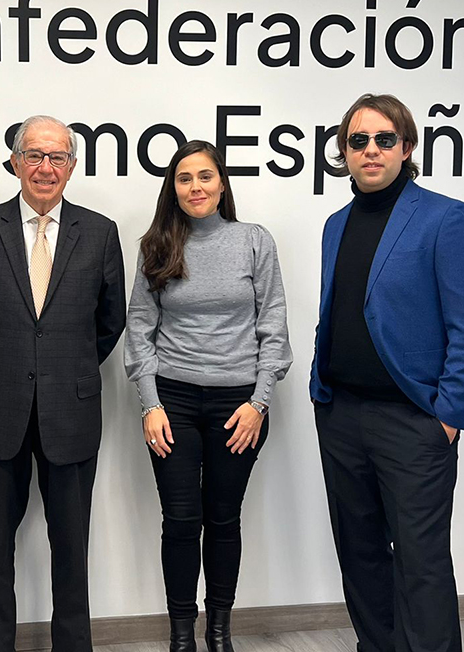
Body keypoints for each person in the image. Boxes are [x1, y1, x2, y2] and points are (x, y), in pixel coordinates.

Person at [310, 94, 464, 652]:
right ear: (343, 152)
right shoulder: (335, 224)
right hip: (341, 415)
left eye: (384, 139)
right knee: (360, 556)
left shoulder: (445, 217)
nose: (370, 150)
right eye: (358, 141)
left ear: (407, 147)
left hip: (413, 422)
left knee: (421, 565)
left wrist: (448, 414)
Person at [0, 115, 126, 652]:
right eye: (35, 156)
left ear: (72, 166)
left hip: (70, 412)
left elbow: (109, 322)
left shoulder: (100, 232)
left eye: (58, 158)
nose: (46, 168)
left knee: (72, 547)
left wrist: (60, 371)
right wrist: (0, 368)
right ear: (16, 162)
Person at [124, 141, 291, 652]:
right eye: (184, 179)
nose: (195, 187)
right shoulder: (157, 245)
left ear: (222, 183)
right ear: (172, 189)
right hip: (171, 403)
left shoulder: (254, 241)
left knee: (222, 519)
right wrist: (150, 404)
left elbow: (274, 325)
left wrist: (258, 402)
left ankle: (219, 631)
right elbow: (139, 327)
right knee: (179, 521)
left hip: (238, 405)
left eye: (204, 177)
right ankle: (181, 635)